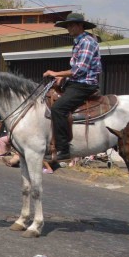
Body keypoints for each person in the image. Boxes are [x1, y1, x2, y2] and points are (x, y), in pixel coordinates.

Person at [43, 12, 102, 163]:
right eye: (67, 25)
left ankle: (63, 149)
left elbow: (80, 70)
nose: (68, 28)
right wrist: (62, 77)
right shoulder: (78, 42)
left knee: (59, 109)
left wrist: (56, 72)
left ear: (80, 26)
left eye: (71, 25)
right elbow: (76, 69)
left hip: (84, 85)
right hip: (76, 82)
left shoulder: (87, 42)